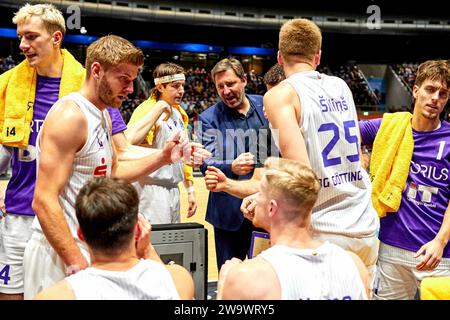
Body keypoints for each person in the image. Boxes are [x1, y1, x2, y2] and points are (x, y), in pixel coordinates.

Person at [23, 34, 209, 299]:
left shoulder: (102, 115)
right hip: (58, 250)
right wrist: (78, 265)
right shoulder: (70, 116)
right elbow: (43, 200)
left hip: (87, 247)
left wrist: (164, 157)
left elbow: (113, 172)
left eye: (132, 80)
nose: (131, 89)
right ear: (97, 70)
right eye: (124, 79)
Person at [0, 3, 157, 300]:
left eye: (32, 37)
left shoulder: (94, 98)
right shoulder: (9, 85)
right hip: (25, 212)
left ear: (56, 38)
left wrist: (163, 156)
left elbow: (116, 158)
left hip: (73, 224)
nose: (23, 45)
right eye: (21, 37)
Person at [257, 18, 379, 281]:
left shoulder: (279, 95)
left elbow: (301, 175)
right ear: (318, 55)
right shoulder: (341, 87)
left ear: (279, 56)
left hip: (326, 231)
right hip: (365, 224)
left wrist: (262, 195)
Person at [359, 60, 450, 299]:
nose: (435, 99)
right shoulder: (390, 126)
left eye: (443, 94)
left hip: (438, 254)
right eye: (430, 90)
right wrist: (359, 160)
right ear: (416, 89)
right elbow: (346, 133)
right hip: (391, 247)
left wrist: (440, 242)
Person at [217, 157, 370, 300]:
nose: (255, 199)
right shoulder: (355, 266)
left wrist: (224, 284)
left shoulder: (247, 277)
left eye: (260, 194)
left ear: (271, 208)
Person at [34, 177, 194, 300]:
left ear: (81, 235)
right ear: (138, 230)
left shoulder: (58, 295)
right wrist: (147, 250)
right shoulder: (179, 279)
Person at [197, 58, 268, 270]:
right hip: (228, 214)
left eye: (231, 84)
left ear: (244, 80)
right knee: (229, 277)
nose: (226, 91)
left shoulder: (265, 104)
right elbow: (205, 161)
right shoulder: (208, 118)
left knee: (265, 277)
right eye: (220, 86)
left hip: (265, 210)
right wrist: (231, 166)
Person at [128, 63, 196, 224]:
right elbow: (129, 144)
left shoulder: (179, 113)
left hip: (173, 188)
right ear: (160, 86)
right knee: (153, 243)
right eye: (175, 86)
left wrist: (190, 189)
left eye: (182, 86)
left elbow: (183, 154)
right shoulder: (146, 110)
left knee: (171, 245)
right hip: (150, 189)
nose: (181, 90)